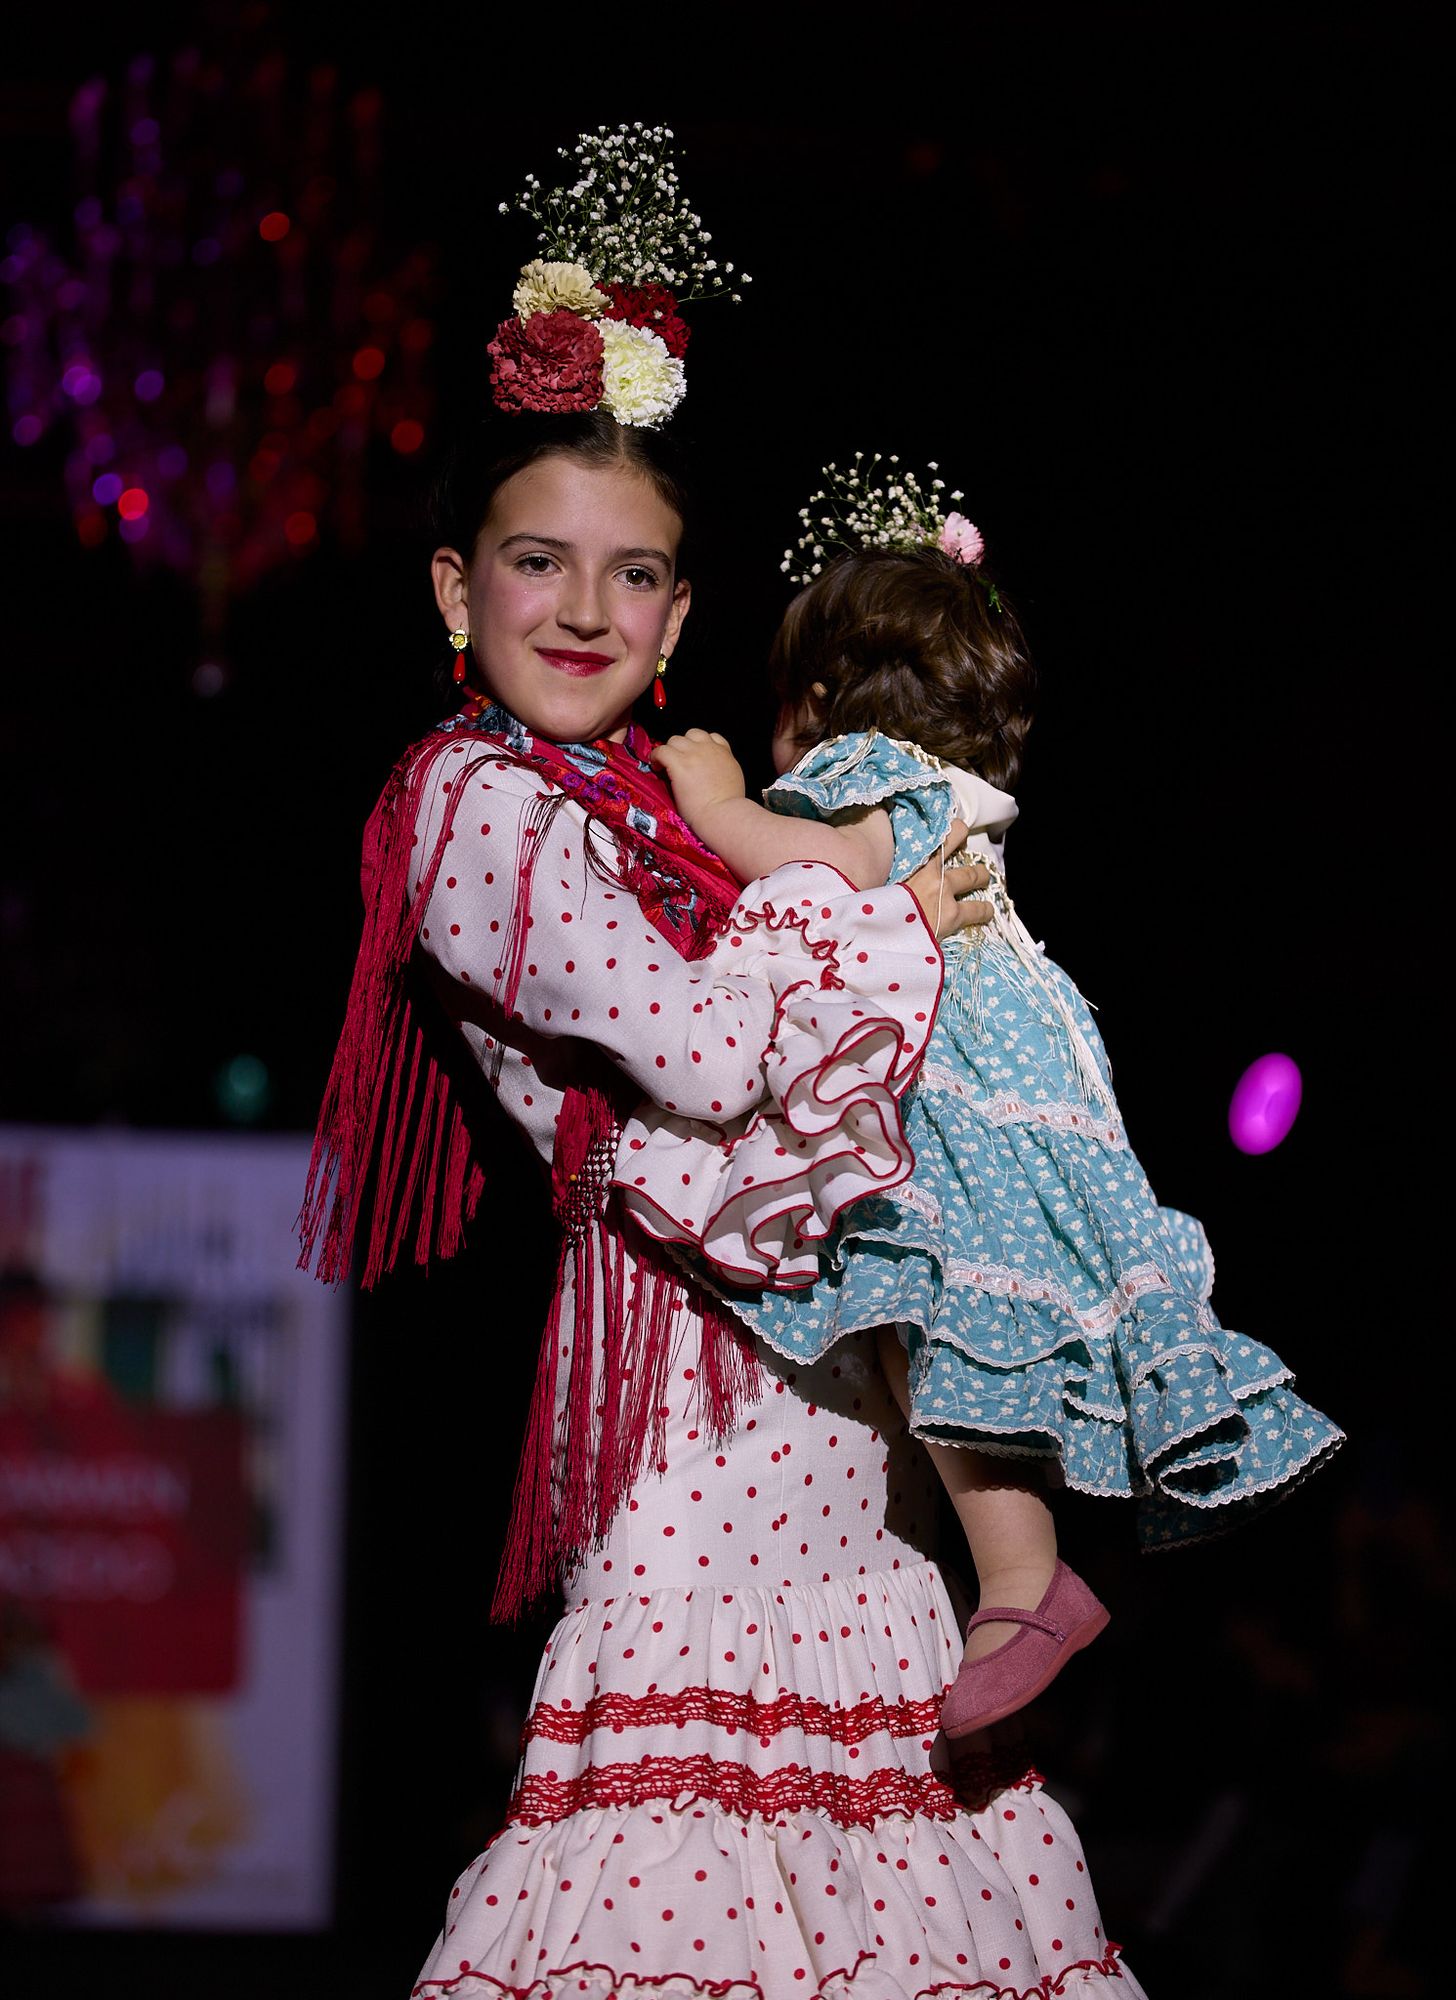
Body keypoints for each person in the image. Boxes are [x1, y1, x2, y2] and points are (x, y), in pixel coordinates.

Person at [301, 130, 1151, 1997]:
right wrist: (879, 913)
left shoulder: (686, 817)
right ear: (458, 590)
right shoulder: (471, 803)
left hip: (831, 1399)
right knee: (696, 1884)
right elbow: (691, 1047)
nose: (585, 611)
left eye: (635, 575)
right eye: (538, 563)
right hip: (685, 1400)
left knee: (876, 1900)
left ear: (684, 617)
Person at [621, 461, 1346, 1741]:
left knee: (930, 1293)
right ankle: (1011, 1580)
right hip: (1030, 1069)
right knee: (956, 1311)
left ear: (822, 701)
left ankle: (1022, 1580)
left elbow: (832, 865)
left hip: (957, 1075)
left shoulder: (860, 773)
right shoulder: (956, 790)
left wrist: (722, 800)